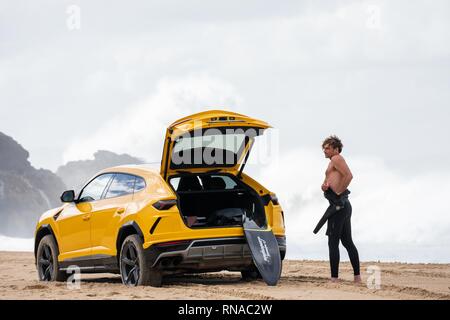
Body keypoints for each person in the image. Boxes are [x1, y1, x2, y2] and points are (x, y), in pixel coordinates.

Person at [320, 135, 361, 283]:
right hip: (343, 206)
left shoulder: (336, 158)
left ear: (336, 149)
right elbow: (330, 181)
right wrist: (324, 186)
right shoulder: (332, 162)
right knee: (347, 241)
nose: (325, 150)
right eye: (324, 148)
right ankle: (357, 277)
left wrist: (339, 192)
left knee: (333, 242)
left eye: (328, 148)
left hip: (339, 206)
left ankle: (334, 278)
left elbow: (349, 176)